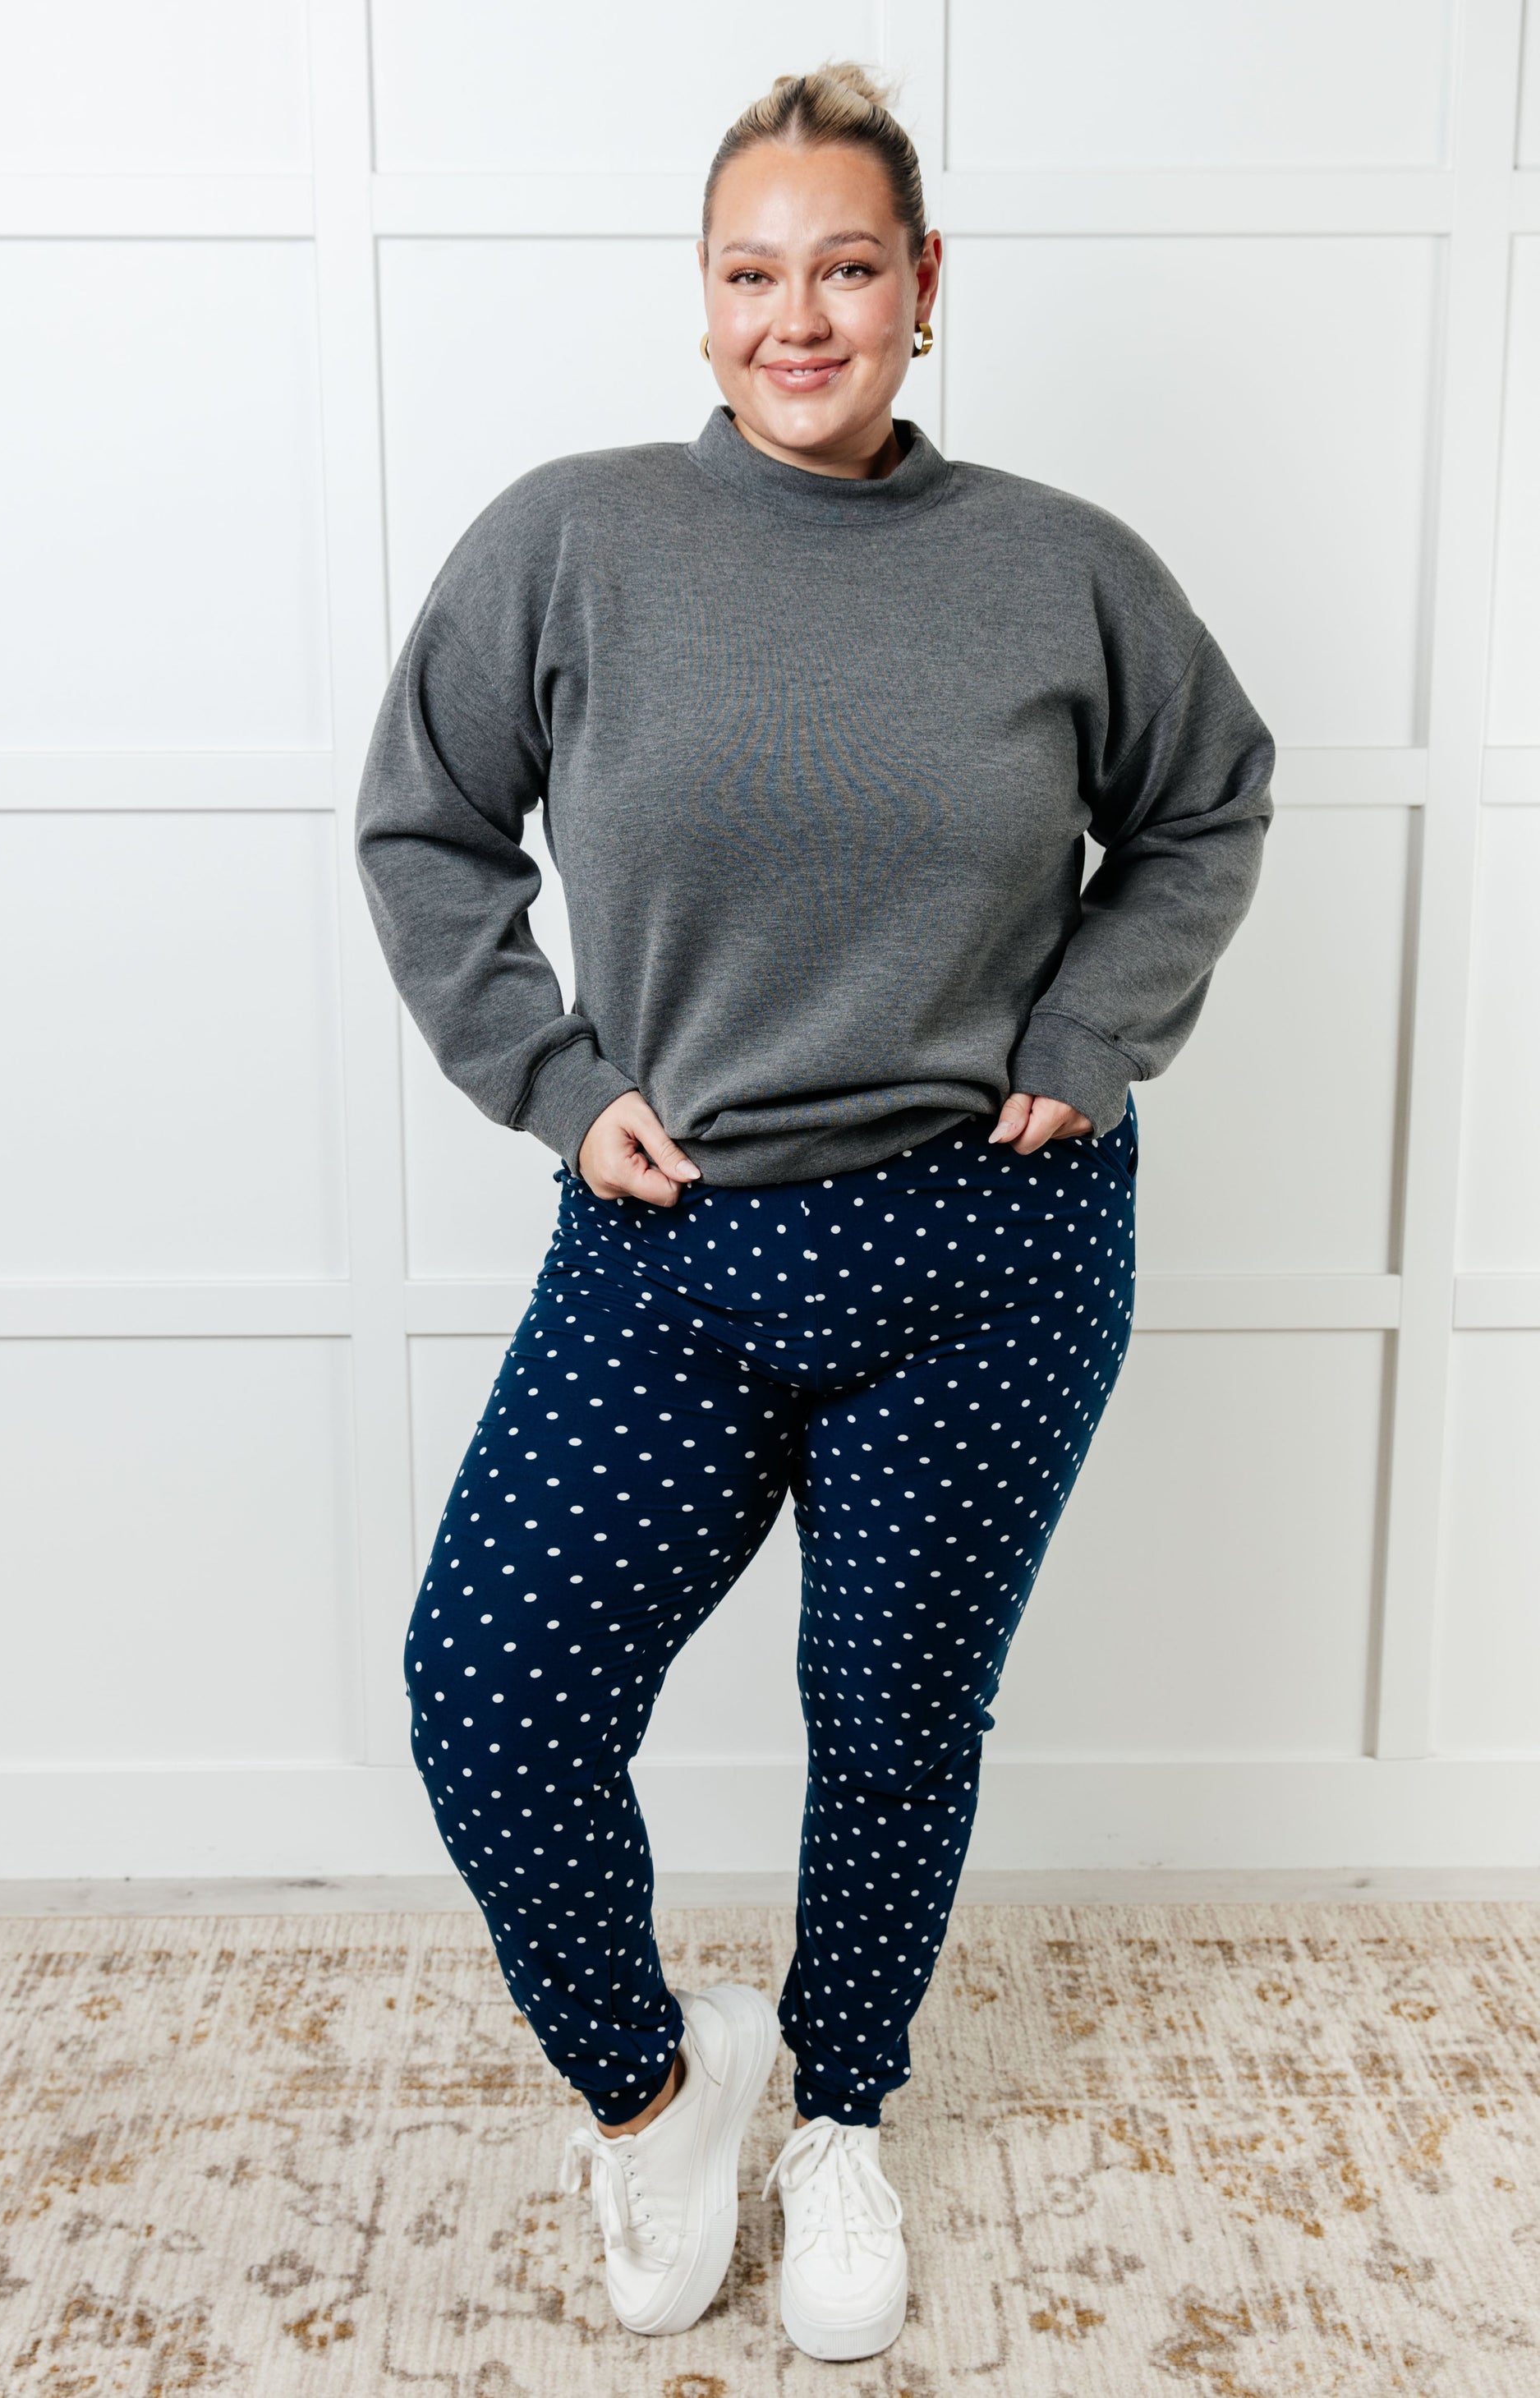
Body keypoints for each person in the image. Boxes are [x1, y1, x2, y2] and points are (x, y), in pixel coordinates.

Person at [355, 59, 1273, 2365]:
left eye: (846, 267)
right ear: (700, 299)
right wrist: (552, 1084)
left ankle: (842, 2121)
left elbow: (1208, 803)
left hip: (987, 1249)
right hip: (674, 1244)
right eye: (753, 273)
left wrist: (1093, 1032)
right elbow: (425, 829)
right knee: (490, 1686)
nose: (800, 317)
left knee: (888, 1718)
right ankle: (660, 2097)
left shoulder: (1060, 566)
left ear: (922, 285)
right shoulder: (569, 544)